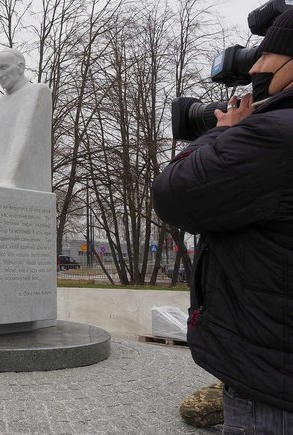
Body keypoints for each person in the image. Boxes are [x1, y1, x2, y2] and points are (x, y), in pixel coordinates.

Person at [152, 9, 293, 432]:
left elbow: (174, 193)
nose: (253, 68)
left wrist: (225, 131)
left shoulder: (276, 135)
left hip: (272, 380)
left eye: (265, 57)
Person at [0, 48, 52, 192]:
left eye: (4, 68)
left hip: (21, 184)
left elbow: (24, 136)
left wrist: (10, 180)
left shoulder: (37, 91)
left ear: (20, 67)